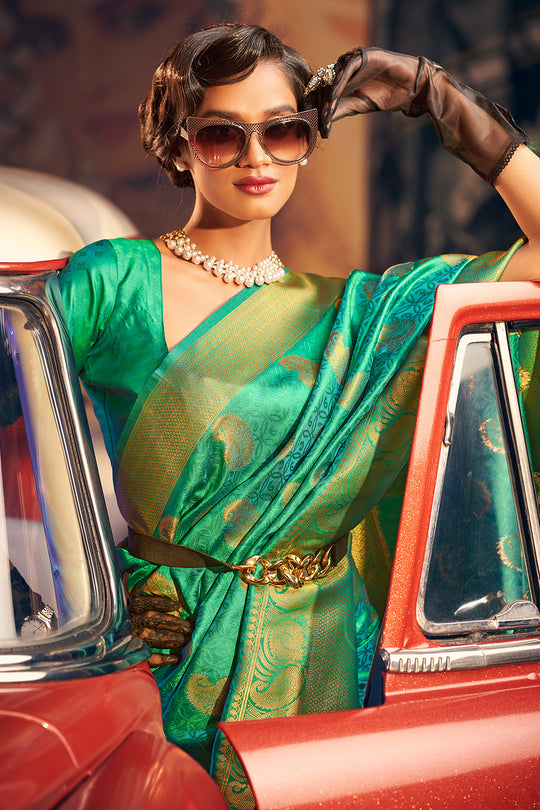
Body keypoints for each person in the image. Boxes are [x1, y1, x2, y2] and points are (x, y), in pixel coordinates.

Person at [56, 23, 540, 809]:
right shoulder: (113, 283)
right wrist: (91, 599)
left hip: (322, 664)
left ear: (307, 140)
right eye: (222, 134)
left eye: (281, 131)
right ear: (179, 147)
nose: (257, 159)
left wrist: (446, 102)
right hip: (163, 665)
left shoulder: (360, 315)